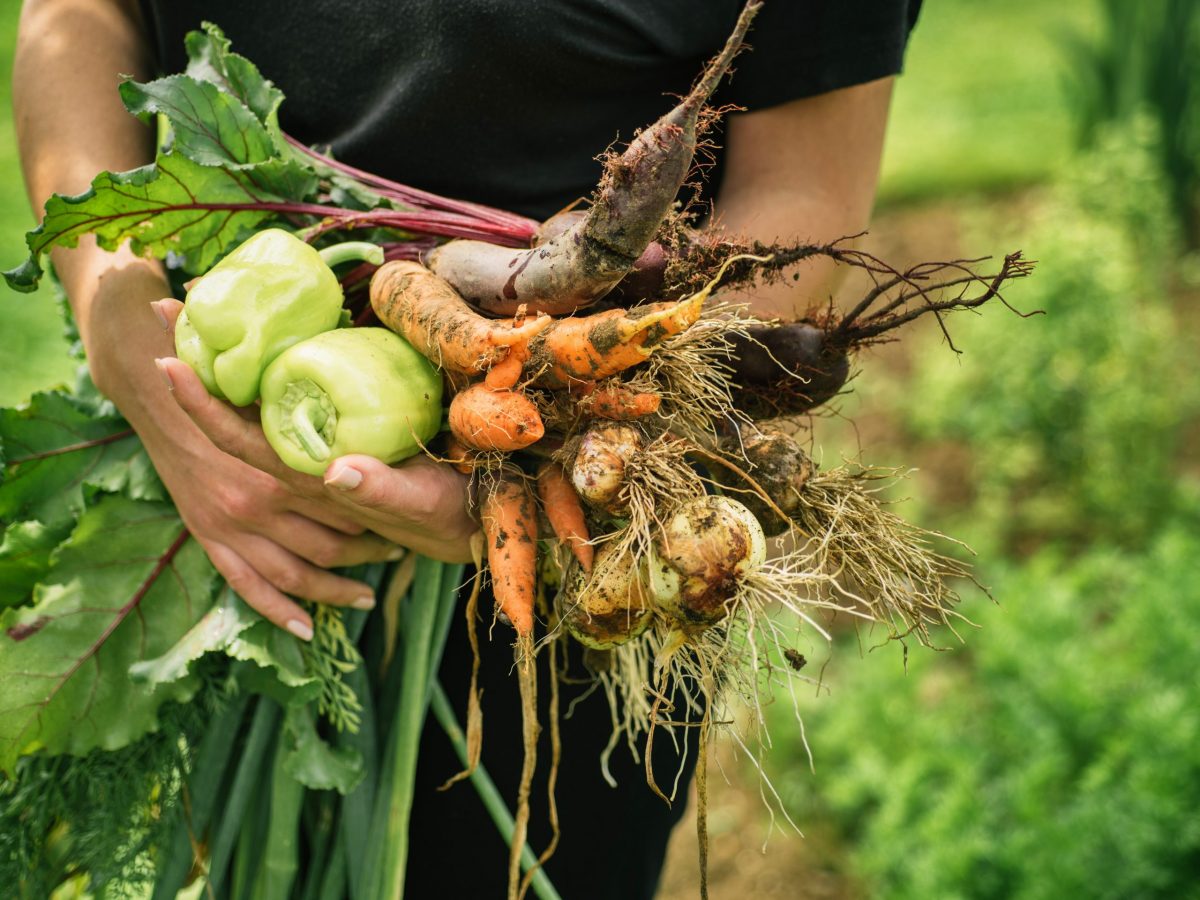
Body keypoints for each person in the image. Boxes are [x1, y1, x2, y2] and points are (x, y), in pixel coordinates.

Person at [14, 1, 921, 895]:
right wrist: (118, 316)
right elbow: (75, 17)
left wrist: (567, 436)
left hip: (590, 537)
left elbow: (804, 184)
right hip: (212, 471)